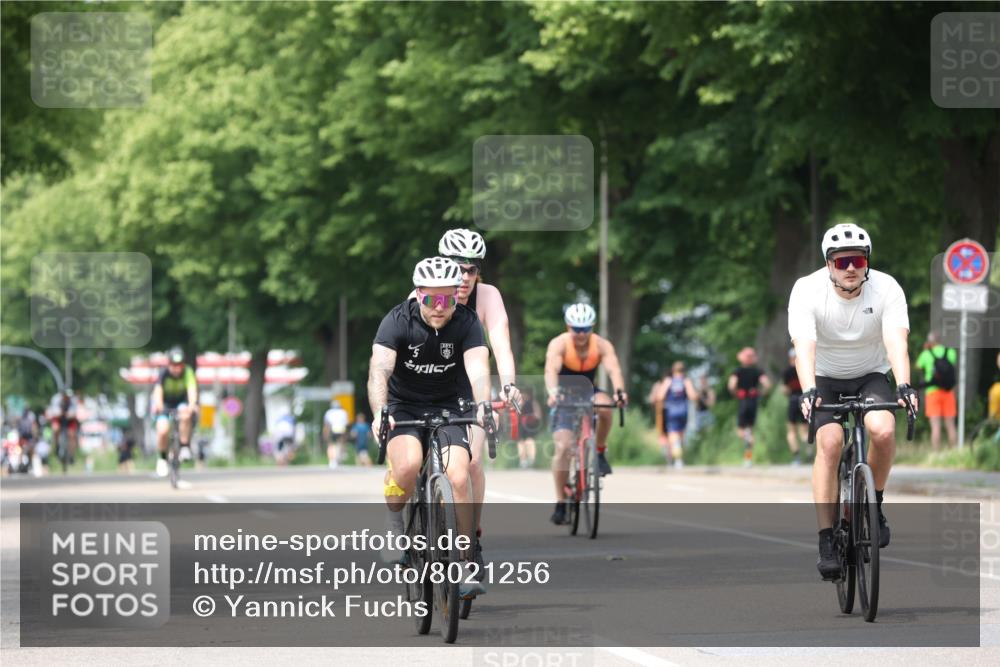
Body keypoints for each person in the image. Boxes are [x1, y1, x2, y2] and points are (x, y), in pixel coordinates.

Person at [789, 222, 916, 580]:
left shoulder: (886, 288)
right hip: (824, 377)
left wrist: (904, 385)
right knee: (829, 443)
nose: (850, 268)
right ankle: (826, 538)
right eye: (842, 261)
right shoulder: (807, 290)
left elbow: (896, 342)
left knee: (883, 430)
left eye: (857, 261)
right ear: (829, 263)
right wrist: (809, 390)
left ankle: (873, 503)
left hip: (870, 374)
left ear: (867, 262)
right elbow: (804, 347)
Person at [368, 256, 491, 599]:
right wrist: (380, 411)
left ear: (456, 295)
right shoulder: (396, 321)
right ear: (418, 294)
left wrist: (482, 405)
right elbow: (379, 370)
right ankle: (395, 524)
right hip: (404, 406)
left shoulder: (466, 323)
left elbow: (479, 369)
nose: (439, 308)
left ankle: (465, 560)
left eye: (447, 299)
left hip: (450, 406)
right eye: (430, 299)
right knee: (406, 467)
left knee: (458, 475)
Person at [544, 303, 628, 525]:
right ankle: (561, 502)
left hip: (589, 390)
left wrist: (620, 393)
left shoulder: (601, 345)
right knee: (563, 447)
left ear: (592, 327)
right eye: (576, 329)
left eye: (585, 329)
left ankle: (599, 450)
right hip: (563, 394)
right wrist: (553, 392)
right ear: (568, 326)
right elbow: (551, 370)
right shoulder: (559, 344)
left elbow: (614, 370)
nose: (581, 335)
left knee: (606, 405)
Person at [151, 348, 199, 478]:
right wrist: (159, 406)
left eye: (179, 365)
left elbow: (192, 390)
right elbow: (158, 391)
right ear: (169, 364)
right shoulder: (163, 373)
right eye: (173, 365)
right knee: (162, 430)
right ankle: (162, 459)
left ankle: (184, 446)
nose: (177, 368)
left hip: (181, 402)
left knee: (185, 414)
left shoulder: (187, 372)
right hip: (165, 404)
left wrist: (192, 405)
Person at [727, 347, 771, 466]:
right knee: (750, 429)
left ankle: (748, 440)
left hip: (743, 401)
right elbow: (767, 384)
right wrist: (761, 394)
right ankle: (748, 458)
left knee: (740, 430)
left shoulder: (737, 371)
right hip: (753, 401)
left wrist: (735, 394)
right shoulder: (758, 371)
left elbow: (731, 385)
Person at [914, 332, 957, 450]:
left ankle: (936, 454)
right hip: (948, 392)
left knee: (935, 426)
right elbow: (952, 364)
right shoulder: (950, 352)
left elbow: (918, 366)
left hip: (932, 392)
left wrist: (925, 350)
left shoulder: (926, 354)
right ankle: (954, 453)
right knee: (950, 424)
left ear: (930, 342)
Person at [653, 361, 698, 468]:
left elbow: (659, 396)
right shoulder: (686, 381)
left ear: (673, 370)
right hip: (683, 410)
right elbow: (693, 396)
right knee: (681, 436)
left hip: (671, 411)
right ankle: (679, 459)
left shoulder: (669, 381)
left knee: (673, 436)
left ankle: (677, 459)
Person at [782, 348, 807, 465]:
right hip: (804, 400)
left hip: (792, 401)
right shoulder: (805, 369)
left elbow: (785, 390)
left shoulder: (787, 372)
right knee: (804, 430)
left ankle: (796, 457)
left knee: (791, 431)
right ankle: (808, 447)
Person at [47, 388, 80, 467]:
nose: (67, 398)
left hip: (69, 419)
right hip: (58, 417)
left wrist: (69, 415)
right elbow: (54, 412)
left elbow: (74, 413)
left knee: (72, 435)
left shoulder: (73, 401)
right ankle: (56, 446)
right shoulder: (56, 399)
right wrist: (60, 414)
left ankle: (71, 455)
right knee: (55, 429)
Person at [515, 388, 542, 469]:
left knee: (528, 441)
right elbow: (538, 415)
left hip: (529, 425)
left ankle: (529, 460)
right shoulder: (522, 402)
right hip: (524, 425)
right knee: (522, 442)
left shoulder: (532, 402)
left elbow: (538, 415)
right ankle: (525, 460)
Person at [322, 400, 349, 469]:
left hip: (333, 429)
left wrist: (325, 434)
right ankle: (339, 458)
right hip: (341, 429)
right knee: (340, 444)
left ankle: (332, 460)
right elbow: (346, 424)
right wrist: (346, 435)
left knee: (331, 445)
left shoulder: (329, 412)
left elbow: (327, 425)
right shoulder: (344, 412)